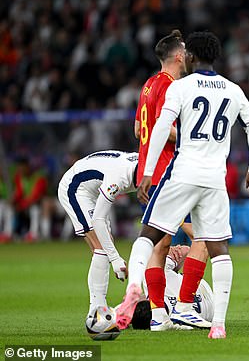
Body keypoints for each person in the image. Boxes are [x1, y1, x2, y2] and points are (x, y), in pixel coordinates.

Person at [115, 31, 249, 340]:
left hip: (180, 172)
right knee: (218, 248)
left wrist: (146, 172)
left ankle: (136, 291)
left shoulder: (178, 87)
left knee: (150, 235)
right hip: (214, 179)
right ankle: (217, 324)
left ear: (190, 57)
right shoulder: (233, 89)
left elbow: (153, 129)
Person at [134, 29, 209, 331]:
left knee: (161, 245)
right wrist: (196, 137)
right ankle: (181, 307)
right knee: (203, 236)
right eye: (185, 51)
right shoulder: (169, 87)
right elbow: (165, 129)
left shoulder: (149, 86)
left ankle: (158, 315)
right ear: (179, 56)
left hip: (150, 172)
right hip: (170, 174)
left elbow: (140, 131)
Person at [57, 150, 137, 320]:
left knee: (104, 242)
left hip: (92, 186)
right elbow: (98, 219)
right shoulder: (119, 178)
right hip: (76, 188)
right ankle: (96, 312)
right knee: (101, 245)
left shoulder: (144, 166)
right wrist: (115, 259)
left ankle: (98, 310)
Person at [131, 245, 214, 330]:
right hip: (194, 283)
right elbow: (186, 250)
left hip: (211, 308)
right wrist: (166, 250)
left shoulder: (175, 324)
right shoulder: (152, 274)